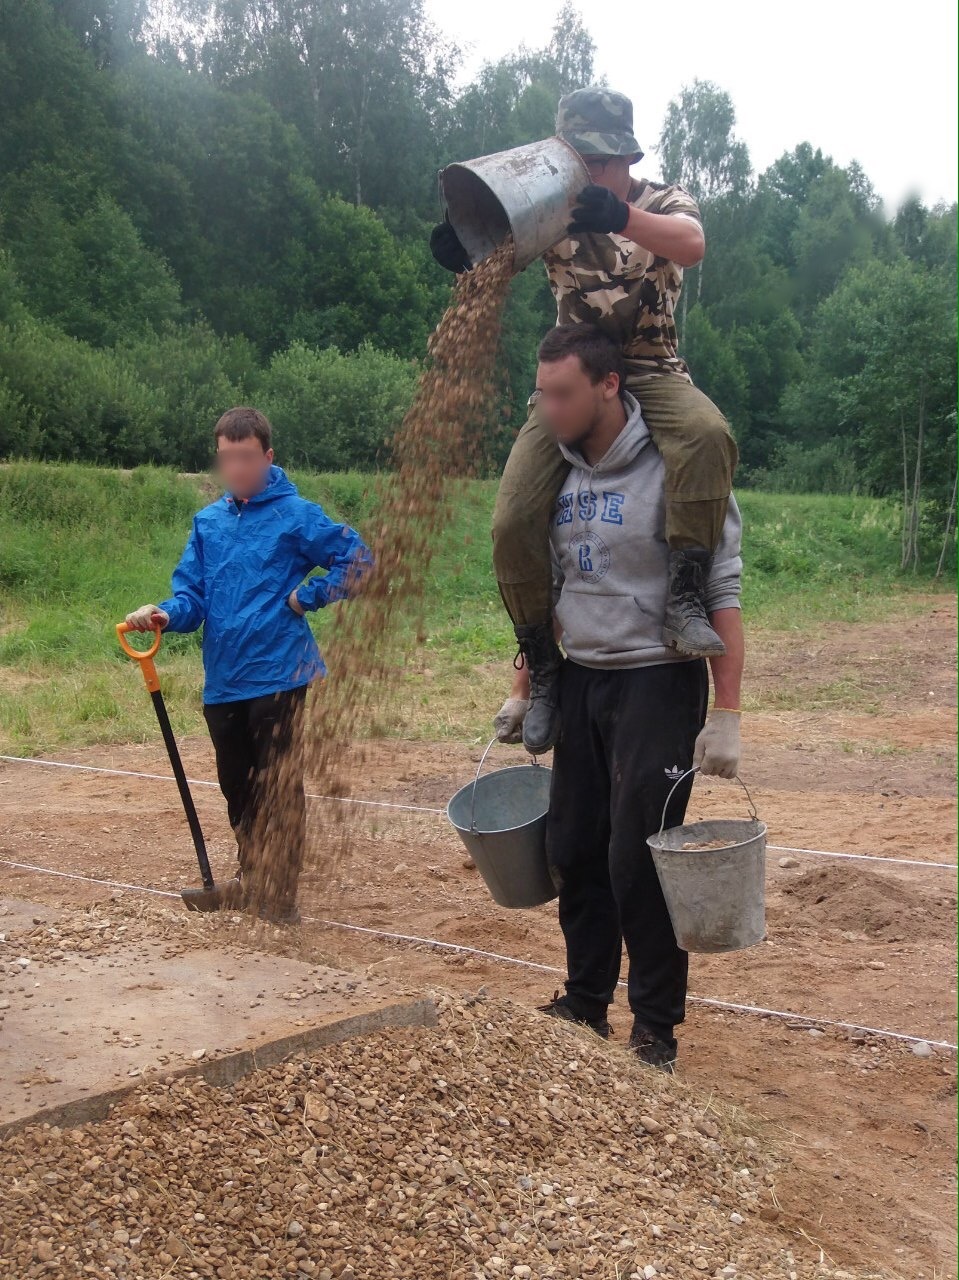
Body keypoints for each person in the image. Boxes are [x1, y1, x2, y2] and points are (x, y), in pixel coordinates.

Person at [431, 87, 739, 755]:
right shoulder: (550, 207)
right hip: (572, 377)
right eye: (579, 159)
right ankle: (541, 665)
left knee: (708, 436)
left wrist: (621, 216)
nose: (588, 173)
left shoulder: (660, 200)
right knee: (512, 517)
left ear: (626, 156)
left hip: (649, 369)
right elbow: (493, 239)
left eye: (599, 162)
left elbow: (691, 245)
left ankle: (684, 597)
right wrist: (465, 248)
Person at [507, 323, 744, 1071]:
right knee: (572, 847)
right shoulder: (554, 476)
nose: (546, 408)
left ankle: (654, 1030)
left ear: (609, 386)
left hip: (657, 677)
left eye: (562, 393)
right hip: (580, 674)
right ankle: (583, 1003)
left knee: (636, 856)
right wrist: (523, 688)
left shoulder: (677, 465)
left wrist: (728, 712)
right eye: (540, 393)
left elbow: (722, 590)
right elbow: (545, 586)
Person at [125, 407, 372, 924]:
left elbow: (361, 561)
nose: (236, 468)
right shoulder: (208, 523)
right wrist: (164, 614)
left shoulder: (297, 515)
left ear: (267, 456)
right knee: (237, 784)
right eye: (226, 458)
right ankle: (252, 877)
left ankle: (279, 897)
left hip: (282, 673)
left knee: (278, 785)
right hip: (225, 678)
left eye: (245, 457)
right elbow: (191, 597)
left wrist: (310, 596)